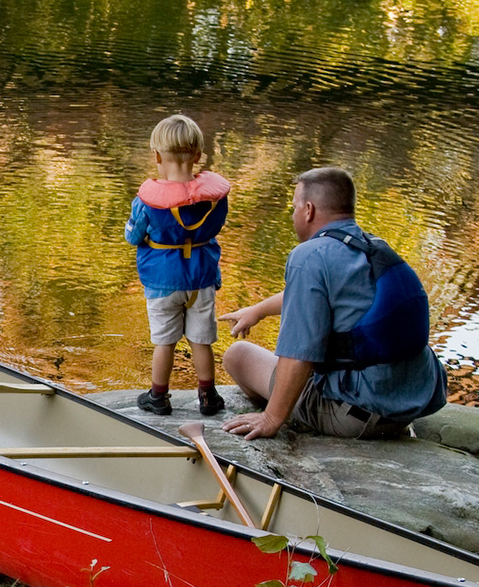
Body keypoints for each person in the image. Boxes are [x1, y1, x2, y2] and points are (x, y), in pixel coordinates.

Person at [220, 166, 446, 441]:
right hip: (406, 406)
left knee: (238, 355)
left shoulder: (308, 256)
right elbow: (319, 295)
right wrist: (258, 311)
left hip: (356, 416)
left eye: (294, 208)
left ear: (309, 210)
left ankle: (291, 414)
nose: (292, 215)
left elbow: (299, 354)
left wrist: (272, 418)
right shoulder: (371, 247)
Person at [124, 114, 231, 417]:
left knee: (165, 343)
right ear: (198, 155)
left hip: (162, 281)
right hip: (201, 280)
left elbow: (133, 237)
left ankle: (158, 397)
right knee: (201, 341)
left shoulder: (146, 201)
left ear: (156, 156)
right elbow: (215, 229)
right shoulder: (215, 200)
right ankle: (208, 396)